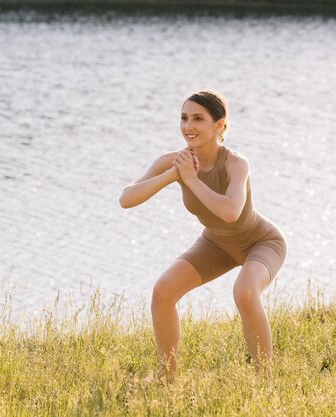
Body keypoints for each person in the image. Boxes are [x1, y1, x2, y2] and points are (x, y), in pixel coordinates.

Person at [119, 90, 287, 383]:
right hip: (216, 243)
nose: (188, 127)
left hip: (261, 242)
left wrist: (192, 180)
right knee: (163, 292)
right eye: (184, 118)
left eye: (198, 119)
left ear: (219, 126)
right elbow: (127, 199)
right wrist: (172, 175)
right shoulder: (174, 162)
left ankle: (264, 382)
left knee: (245, 293)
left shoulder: (236, 164)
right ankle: (165, 377)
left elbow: (231, 212)